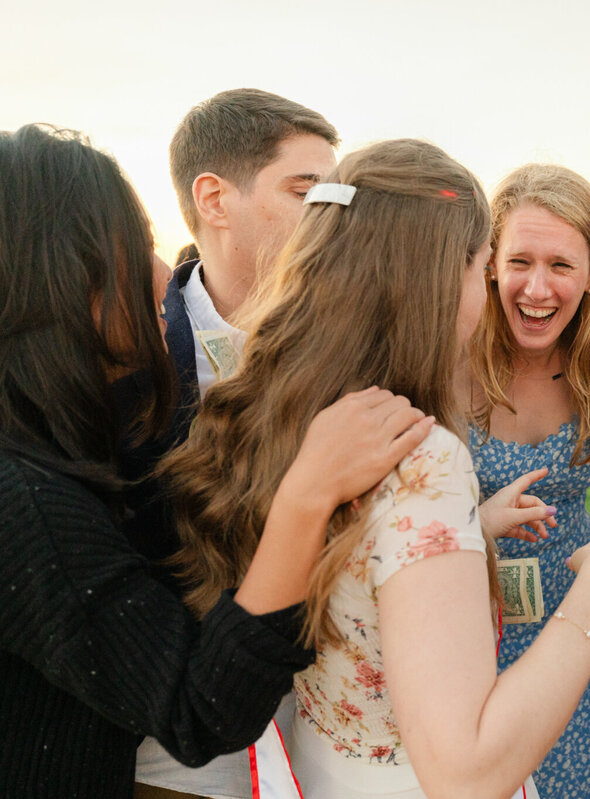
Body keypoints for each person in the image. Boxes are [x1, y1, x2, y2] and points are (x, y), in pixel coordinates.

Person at [166, 139, 590, 799]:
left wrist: (472, 527)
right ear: (443, 277)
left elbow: (363, 566)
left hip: (326, 770)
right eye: (486, 262)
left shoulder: (307, 411)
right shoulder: (425, 458)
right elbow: (468, 772)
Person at [0, 124, 426, 798]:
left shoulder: (51, 449)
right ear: (59, 277)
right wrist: (307, 492)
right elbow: (200, 709)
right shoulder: (26, 502)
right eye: (135, 244)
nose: (159, 271)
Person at [130, 87, 342, 799]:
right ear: (215, 199)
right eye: (305, 191)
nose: (331, 215)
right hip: (180, 758)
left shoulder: (350, 347)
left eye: (335, 194)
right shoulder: (131, 352)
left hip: (325, 739)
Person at [469, 163, 590, 797]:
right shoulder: (445, 359)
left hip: (572, 632)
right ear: (490, 263)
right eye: (520, 261)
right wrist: (476, 524)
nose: (537, 288)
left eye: (561, 265)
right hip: (465, 631)